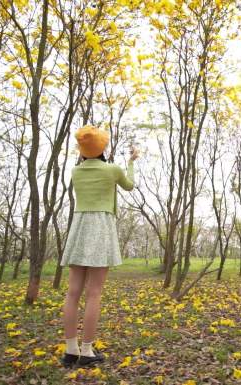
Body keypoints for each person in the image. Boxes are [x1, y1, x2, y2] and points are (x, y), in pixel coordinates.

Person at [59, 125, 138, 368]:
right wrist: (132, 161)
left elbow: (86, 162)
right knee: (94, 293)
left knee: (72, 292)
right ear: (103, 147)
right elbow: (129, 185)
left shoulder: (75, 171)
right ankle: (87, 351)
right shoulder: (112, 169)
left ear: (82, 149)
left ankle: (70, 350)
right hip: (101, 228)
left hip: (80, 228)